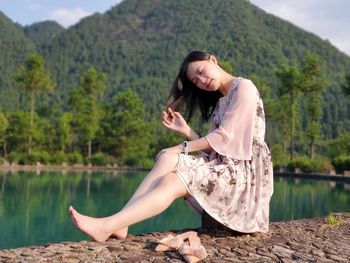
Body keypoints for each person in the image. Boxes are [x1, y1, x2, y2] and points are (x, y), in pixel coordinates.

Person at [69, 51, 274, 243]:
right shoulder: (222, 100)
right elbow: (217, 147)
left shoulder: (243, 87)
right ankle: (123, 223)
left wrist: (181, 146)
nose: (202, 81)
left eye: (201, 72)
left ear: (213, 60)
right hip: (225, 166)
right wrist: (186, 131)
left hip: (244, 176)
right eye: (196, 81)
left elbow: (223, 138)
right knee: (167, 158)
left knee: (172, 180)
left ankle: (106, 226)